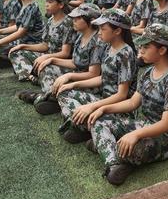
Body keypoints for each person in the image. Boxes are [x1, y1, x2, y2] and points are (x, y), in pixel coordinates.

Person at [87, 24, 168, 186]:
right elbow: (133, 102)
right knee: (99, 121)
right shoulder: (148, 73)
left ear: (162, 50)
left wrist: (136, 134)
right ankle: (114, 162)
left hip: (167, 137)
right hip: (145, 124)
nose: (141, 51)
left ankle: (107, 148)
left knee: (135, 149)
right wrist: (103, 108)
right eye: (141, 46)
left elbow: (167, 124)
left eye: (146, 47)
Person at [56, 8, 138, 144]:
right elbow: (103, 78)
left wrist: (93, 107)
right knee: (65, 92)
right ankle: (83, 125)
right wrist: (74, 84)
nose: (99, 32)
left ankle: (84, 126)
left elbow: (121, 95)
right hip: (104, 98)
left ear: (117, 31)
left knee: (92, 114)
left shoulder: (125, 54)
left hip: (118, 108)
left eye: (103, 29)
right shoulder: (108, 47)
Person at [33, 3, 105, 115]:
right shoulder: (80, 35)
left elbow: (93, 74)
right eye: (74, 18)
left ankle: (50, 98)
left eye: (78, 18)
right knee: (47, 67)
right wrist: (52, 60)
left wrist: (68, 76)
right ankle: (52, 97)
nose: (74, 21)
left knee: (66, 87)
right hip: (79, 73)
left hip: (91, 82)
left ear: (91, 20)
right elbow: (75, 62)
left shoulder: (97, 41)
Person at [11, 0, 76, 87]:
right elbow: (45, 45)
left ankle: (38, 75)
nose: (46, 4)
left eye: (50, 2)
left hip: (59, 60)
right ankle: (30, 76)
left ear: (61, 5)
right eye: (46, 1)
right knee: (16, 52)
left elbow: (65, 53)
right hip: (48, 55)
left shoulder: (68, 23)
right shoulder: (50, 21)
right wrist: (23, 46)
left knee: (46, 67)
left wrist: (47, 57)